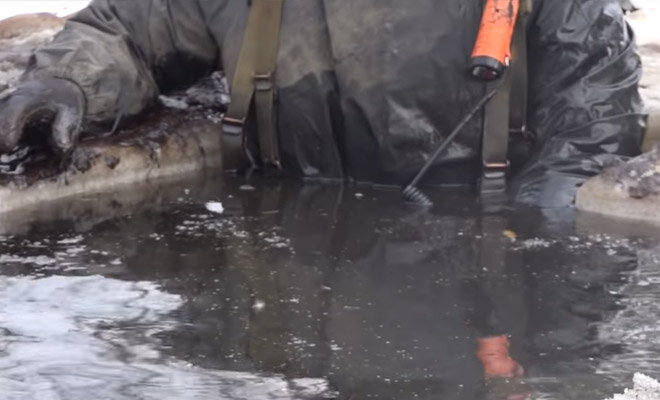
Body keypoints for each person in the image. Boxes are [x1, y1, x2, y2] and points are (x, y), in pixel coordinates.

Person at [0, 0, 646, 207]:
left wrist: (522, 258)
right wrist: (66, 86)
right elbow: (129, 31)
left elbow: (589, 135)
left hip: (483, 246)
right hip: (283, 247)